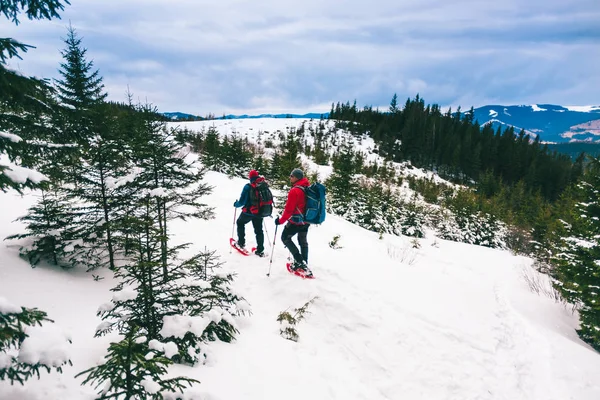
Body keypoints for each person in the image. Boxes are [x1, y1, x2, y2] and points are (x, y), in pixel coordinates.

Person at [275, 168, 312, 274]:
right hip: (306, 220)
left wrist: (280, 221)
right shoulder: (307, 187)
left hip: (296, 221)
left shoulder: (295, 190)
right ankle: (304, 261)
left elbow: (289, 210)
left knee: (285, 238)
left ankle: (300, 262)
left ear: (297, 178)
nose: (290, 177)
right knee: (303, 241)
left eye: (291, 176)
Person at [233, 170, 265, 257]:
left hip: (249, 212)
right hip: (260, 212)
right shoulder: (262, 185)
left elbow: (242, 201)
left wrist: (236, 204)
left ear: (250, 177)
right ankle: (260, 250)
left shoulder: (248, 187)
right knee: (259, 230)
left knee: (240, 223)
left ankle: (241, 243)